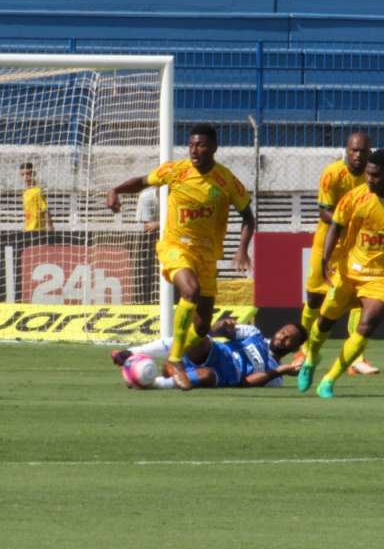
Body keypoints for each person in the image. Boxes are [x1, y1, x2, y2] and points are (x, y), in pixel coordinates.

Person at [106, 123, 255, 390]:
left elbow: (248, 217)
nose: (194, 150)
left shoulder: (227, 180)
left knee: (201, 328)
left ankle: (136, 356)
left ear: (214, 147)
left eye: (201, 145)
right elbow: (141, 182)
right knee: (191, 291)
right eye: (191, 145)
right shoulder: (176, 171)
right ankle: (175, 360)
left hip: (207, 256)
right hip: (176, 247)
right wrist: (115, 190)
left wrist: (243, 248)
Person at [297, 149, 384, 399]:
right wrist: (327, 259)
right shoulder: (353, 198)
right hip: (349, 271)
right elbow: (335, 226)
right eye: (368, 175)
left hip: (381, 276)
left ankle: (329, 380)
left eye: (376, 175)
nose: (370, 179)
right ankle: (311, 358)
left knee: (367, 325)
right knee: (324, 323)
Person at [298, 131, 381, 376]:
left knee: (359, 296)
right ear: (346, 150)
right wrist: (350, 222)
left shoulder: (372, 180)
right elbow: (324, 212)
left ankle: (357, 358)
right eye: (353, 150)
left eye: (363, 152)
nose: (357, 155)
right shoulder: (332, 174)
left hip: (356, 248)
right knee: (314, 298)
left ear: (369, 153)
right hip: (327, 244)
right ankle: (303, 347)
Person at [112, 318, 306, 389]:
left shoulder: (277, 375)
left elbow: (247, 382)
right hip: (216, 352)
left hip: (224, 376)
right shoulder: (255, 334)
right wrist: (223, 325)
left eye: (289, 338)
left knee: (206, 375)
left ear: (294, 348)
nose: (282, 337)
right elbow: (219, 331)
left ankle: (155, 381)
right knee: (198, 337)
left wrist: (280, 371)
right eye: (283, 332)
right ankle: (131, 353)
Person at [20, 161, 52, 231]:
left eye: (28, 174)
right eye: (22, 174)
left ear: (33, 174)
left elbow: (45, 210)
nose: (25, 177)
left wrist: (50, 227)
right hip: (27, 229)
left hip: (37, 230)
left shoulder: (37, 191)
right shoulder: (25, 192)